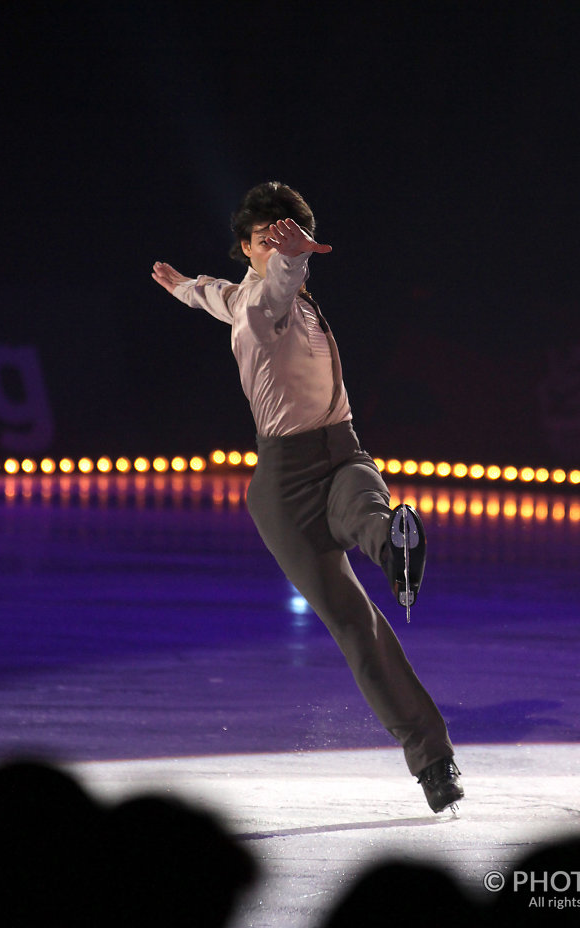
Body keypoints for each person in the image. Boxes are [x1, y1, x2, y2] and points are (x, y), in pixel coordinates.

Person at [152, 181, 462, 813]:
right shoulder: (259, 302)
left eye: (289, 233)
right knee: (354, 625)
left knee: (368, 506)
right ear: (248, 247)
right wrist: (288, 257)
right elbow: (266, 288)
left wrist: (186, 287)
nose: (279, 245)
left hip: (342, 450)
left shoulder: (255, 296)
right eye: (267, 238)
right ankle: (433, 761)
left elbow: (214, 292)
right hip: (283, 486)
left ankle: (396, 549)